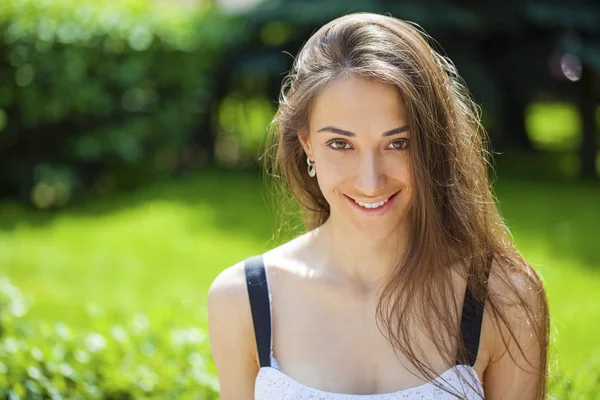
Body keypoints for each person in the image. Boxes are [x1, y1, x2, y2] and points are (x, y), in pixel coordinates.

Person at [207, 12, 549, 400]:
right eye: (340, 144)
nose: (370, 181)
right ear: (306, 145)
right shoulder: (243, 300)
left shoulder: (502, 296)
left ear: (432, 145)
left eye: (398, 143)